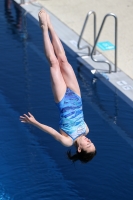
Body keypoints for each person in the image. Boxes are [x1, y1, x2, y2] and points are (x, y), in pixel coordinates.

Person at [20, 9, 96, 163]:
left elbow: (52, 132)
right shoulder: (86, 130)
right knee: (63, 60)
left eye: (88, 145)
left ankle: (43, 29)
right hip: (76, 95)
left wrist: (34, 122)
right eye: (92, 143)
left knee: (54, 64)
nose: (89, 141)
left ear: (79, 149)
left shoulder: (67, 141)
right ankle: (51, 26)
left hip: (61, 99)